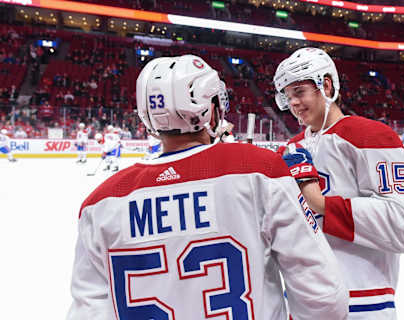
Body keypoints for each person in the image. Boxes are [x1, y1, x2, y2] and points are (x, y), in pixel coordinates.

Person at [67, 54, 349, 320]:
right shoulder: (260, 170)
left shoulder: (100, 203)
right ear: (210, 111)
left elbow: (89, 310)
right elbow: (323, 295)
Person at [273, 47, 404, 319]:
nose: (294, 103)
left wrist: (320, 204)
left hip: (363, 305)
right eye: (288, 96)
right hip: (300, 305)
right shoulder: (290, 149)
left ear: (326, 85)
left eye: (299, 92)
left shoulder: (369, 136)